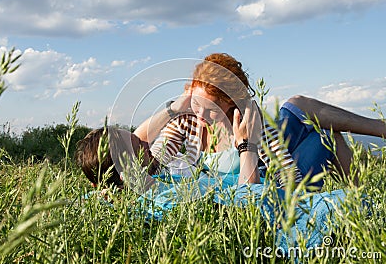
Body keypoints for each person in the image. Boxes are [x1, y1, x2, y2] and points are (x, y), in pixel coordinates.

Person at [133, 53, 386, 190]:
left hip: (263, 183)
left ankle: (359, 198)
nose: (201, 115)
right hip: (233, 191)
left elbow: (289, 179)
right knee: (300, 109)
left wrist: (247, 147)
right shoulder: (187, 122)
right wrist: (175, 108)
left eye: (211, 109)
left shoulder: (250, 123)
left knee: (325, 136)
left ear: (230, 103)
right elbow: (147, 160)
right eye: (196, 104)